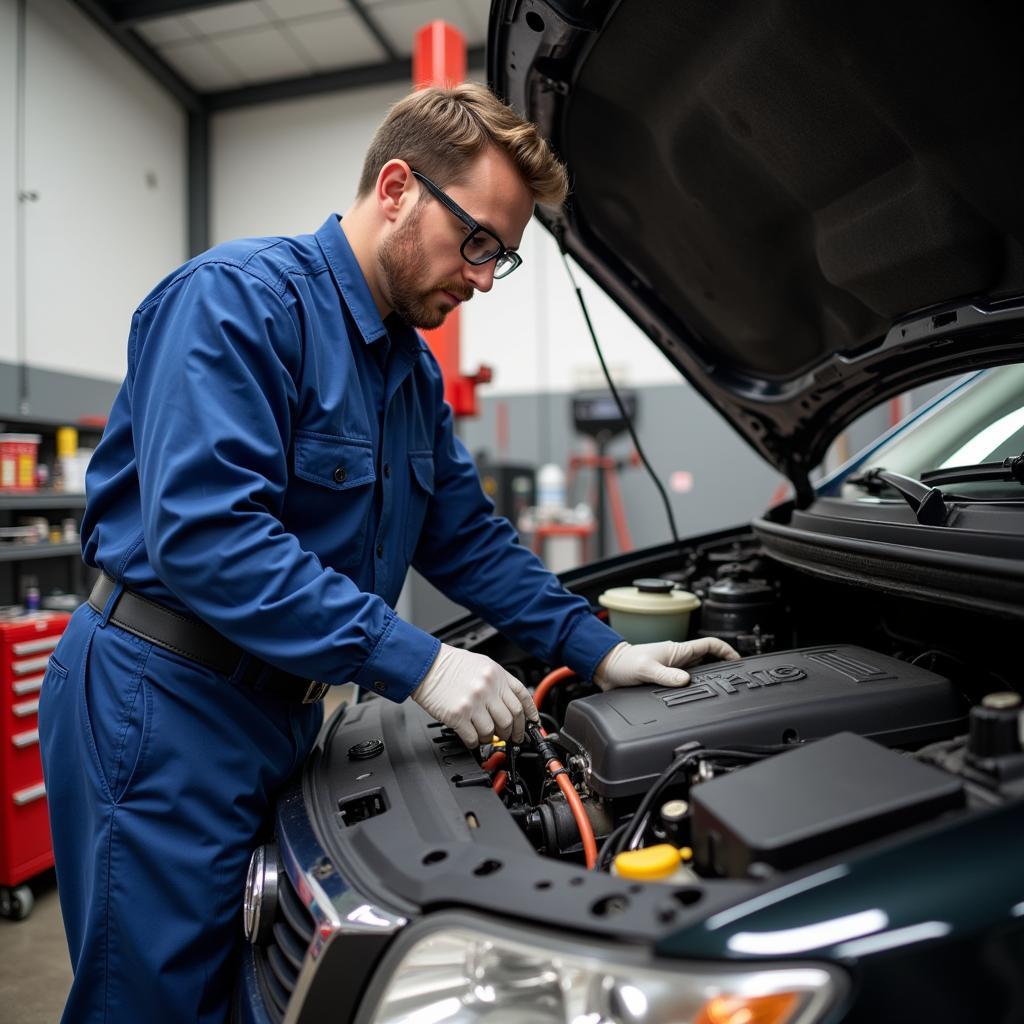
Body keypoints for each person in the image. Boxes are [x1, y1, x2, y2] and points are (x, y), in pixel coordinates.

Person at [38, 83, 739, 1022]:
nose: (485, 277)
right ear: (399, 187)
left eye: (506, 257)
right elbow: (209, 537)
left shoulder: (409, 371)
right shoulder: (239, 303)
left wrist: (600, 649)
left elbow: (468, 540)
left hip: (279, 711)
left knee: (251, 986)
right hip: (160, 703)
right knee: (154, 1002)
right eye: (478, 242)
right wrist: (422, 663)